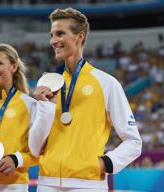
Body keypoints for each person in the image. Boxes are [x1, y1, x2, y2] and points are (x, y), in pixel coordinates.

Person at [29, 8, 142, 192]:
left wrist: (105, 163)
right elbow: (34, 148)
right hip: (46, 183)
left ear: (80, 36)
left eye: (60, 34)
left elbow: (134, 142)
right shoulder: (48, 86)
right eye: (51, 35)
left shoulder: (106, 83)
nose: (53, 41)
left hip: (87, 184)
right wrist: (44, 107)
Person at [0, 43, 55, 192]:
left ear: (13, 66)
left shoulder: (30, 105)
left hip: (14, 186)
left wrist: (16, 160)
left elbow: (38, 152)